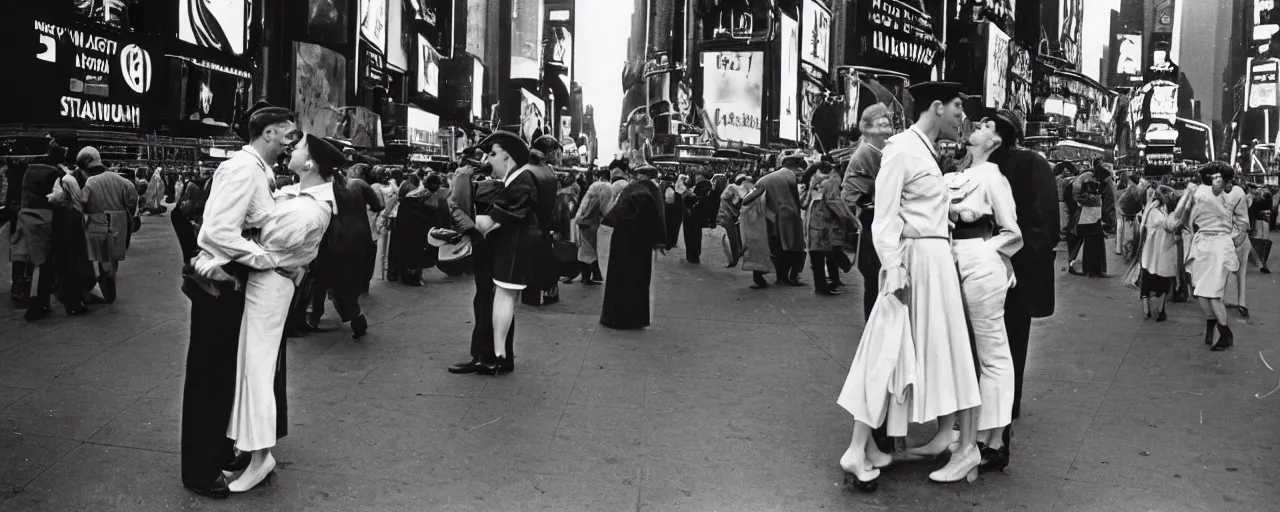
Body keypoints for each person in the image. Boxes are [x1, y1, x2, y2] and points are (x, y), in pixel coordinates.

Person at [836, 82, 981, 490]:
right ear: (936, 107)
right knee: (890, 349)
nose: (961, 117)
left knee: (899, 352)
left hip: (930, 263)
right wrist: (894, 266)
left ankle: (868, 445)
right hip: (915, 264)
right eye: (957, 107)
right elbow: (883, 218)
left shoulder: (923, 151)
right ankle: (861, 447)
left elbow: (916, 206)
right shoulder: (902, 148)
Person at [192, 133, 342, 493]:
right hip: (267, 286)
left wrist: (230, 245)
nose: (292, 149)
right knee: (250, 369)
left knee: (257, 373)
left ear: (310, 164)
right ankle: (249, 448)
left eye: (300, 147)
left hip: (270, 289)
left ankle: (261, 457)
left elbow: (260, 243)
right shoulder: (301, 196)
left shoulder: (308, 208)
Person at [180, 101, 298, 499]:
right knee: (209, 378)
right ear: (268, 133)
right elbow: (215, 232)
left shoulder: (259, 171)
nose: (289, 142)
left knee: (225, 375)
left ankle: (217, 450)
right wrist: (268, 259)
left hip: (235, 284)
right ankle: (199, 469)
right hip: (220, 285)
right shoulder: (243, 169)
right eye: (286, 134)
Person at [939, 111, 1023, 470]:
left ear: (996, 142)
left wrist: (986, 254)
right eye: (979, 124)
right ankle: (963, 433)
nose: (978, 129)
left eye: (987, 128)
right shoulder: (951, 174)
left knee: (992, 353)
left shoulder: (993, 177)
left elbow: (1012, 230)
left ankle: (992, 437)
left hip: (978, 263)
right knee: (958, 349)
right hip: (946, 262)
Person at [990, 108, 1059, 466]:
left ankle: (1007, 405)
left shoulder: (1030, 163)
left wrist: (1015, 258)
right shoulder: (978, 165)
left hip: (1016, 272)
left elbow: (1045, 221)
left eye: (986, 126)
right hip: (982, 270)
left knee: (1012, 337)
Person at [474, 131, 555, 372]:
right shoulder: (532, 175)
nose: (489, 160)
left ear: (508, 158)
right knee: (503, 298)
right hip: (520, 245)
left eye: (493, 154)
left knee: (504, 298)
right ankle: (499, 355)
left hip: (514, 249)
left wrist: (478, 220)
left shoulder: (522, 179)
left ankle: (498, 357)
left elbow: (507, 213)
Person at [447, 157, 516, 375]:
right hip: (504, 245)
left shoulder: (469, 176)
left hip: (486, 242)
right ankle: (502, 357)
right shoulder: (516, 178)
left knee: (486, 299)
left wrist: (471, 231)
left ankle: (485, 357)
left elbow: (454, 206)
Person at [307, 161, 384, 338]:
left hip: (334, 241)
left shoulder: (323, 189)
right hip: (360, 239)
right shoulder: (359, 184)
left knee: (320, 278)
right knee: (348, 281)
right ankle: (356, 317)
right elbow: (378, 206)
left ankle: (313, 316)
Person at [1178, 162, 1239, 351]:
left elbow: (1181, 213)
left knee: (1212, 295)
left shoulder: (1205, 194)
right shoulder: (1212, 194)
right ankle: (1211, 326)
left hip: (1216, 248)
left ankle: (1226, 334)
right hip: (1205, 246)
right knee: (1202, 293)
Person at [599, 165, 667, 329]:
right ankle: (634, 318)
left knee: (619, 278)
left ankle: (614, 317)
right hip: (640, 242)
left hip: (621, 238)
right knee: (637, 280)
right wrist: (660, 241)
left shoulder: (630, 190)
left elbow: (612, 215)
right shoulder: (651, 192)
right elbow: (658, 217)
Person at [842, 104, 894, 317]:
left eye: (887, 122)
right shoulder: (866, 152)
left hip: (877, 225)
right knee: (874, 283)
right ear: (867, 127)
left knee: (877, 285)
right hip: (873, 225)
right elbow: (851, 195)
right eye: (880, 122)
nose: (885, 126)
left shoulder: (880, 150)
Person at [79, 147, 139, 303]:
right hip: (119, 222)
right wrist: (128, 212)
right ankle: (110, 278)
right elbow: (132, 197)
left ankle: (105, 282)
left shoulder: (90, 182)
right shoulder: (120, 180)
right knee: (114, 257)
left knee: (101, 257)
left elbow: (83, 203)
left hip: (98, 221)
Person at [742, 153, 807, 288]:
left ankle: (760, 278)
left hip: (771, 219)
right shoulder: (792, 177)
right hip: (790, 219)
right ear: (795, 166)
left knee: (771, 249)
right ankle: (786, 278)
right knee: (793, 250)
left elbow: (747, 200)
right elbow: (797, 201)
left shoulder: (764, 179)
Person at [519, 136, 566, 306]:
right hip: (543, 227)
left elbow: (524, 203)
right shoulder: (548, 172)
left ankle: (532, 296)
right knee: (546, 262)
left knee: (532, 265)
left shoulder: (527, 170)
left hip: (530, 227)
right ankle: (549, 293)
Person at [803, 161, 857, 295]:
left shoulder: (815, 182)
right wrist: (849, 221)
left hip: (813, 223)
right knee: (830, 250)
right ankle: (835, 276)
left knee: (816, 256)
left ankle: (821, 286)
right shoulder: (831, 183)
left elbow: (805, 202)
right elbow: (835, 204)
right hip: (825, 224)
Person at [1140, 185, 1179, 321]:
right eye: (1169, 195)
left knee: (1157, 279)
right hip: (1156, 251)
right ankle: (1152, 309)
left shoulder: (1156, 208)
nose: (1171, 198)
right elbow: (1168, 225)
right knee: (1156, 279)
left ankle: (1156, 309)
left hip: (1158, 251)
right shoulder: (1156, 210)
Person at [572, 167, 613, 284]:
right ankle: (589, 276)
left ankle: (591, 275)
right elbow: (605, 209)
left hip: (583, 220)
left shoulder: (594, 186)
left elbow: (584, 204)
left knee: (586, 248)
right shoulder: (608, 188)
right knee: (591, 249)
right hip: (593, 222)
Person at [1222, 175, 1252, 317]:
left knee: (1233, 271)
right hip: (1240, 235)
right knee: (1238, 272)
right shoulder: (1239, 192)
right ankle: (1239, 302)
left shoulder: (1236, 192)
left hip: (1236, 237)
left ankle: (1239, 302)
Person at [683, 172, 716, 264]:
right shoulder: (708, 188)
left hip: (692, 215)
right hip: (698, 216)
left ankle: (692, 256)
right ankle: (695, 255)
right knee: (696, 235)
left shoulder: (701, 188)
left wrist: (691, 207)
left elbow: (698, 201)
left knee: (690, 236)